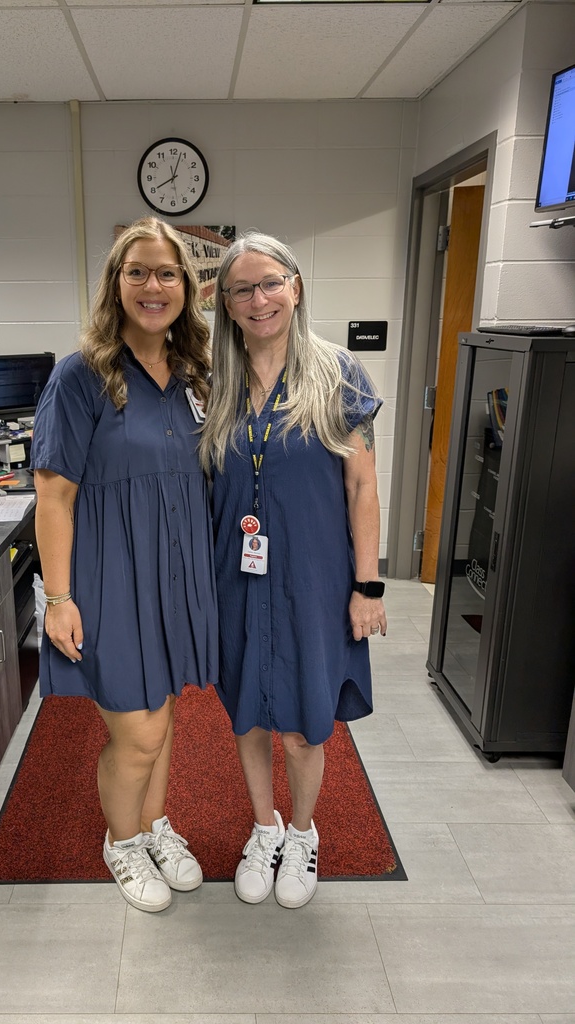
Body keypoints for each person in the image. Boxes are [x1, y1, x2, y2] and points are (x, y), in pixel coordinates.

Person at [30, 216, 218, 913]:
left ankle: (151, 825)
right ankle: (120, 841)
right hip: (111, 576)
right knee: (135, 731)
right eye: (136, 271)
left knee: (162, 716)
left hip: (177, 574)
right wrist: (59, 597)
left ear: (186, 287)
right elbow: (53, 495)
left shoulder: (195, 371)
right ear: (115, 283)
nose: (152, 284)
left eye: (166, 272)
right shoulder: (81, 377)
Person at [199, 231, 385, 910]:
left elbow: (362, 488)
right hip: (236, 578)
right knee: (247, 714)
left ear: (295, 286)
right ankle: (263, 827)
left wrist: (367, 586)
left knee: (306, 722)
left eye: (270, 282)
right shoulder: (212, 385)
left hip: (313, 581)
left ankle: (302, 834)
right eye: (242, 289)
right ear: (224, 302)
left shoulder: (339, 375)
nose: (258, 299)